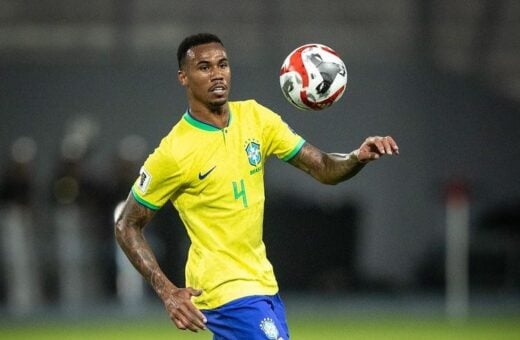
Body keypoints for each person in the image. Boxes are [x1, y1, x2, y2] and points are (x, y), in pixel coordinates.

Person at [115, 32, 399, 339]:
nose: (217, 74)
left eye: (223, 65)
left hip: (263, 282)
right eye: (205, 67)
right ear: (183, 77)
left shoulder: (256, 117)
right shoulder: (174, 152)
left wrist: (358, 156)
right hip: (223, 291)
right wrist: (167, 292)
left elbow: (323, 168)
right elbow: (126, 225)